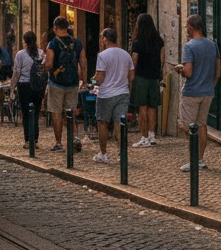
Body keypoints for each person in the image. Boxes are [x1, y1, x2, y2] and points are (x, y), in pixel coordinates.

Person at [174, 14, 221, 171]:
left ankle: (193, 160)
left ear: (190, 27)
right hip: (207, 91)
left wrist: (179, 69)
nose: (186, 29)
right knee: (202, 125)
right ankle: (200, 159)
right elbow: (218, 70)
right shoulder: (212, 45)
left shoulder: (190, 46)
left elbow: (188, 72)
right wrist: (210, 83)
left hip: (192, 91)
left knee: (187, 126)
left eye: (187, 26)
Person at [42, 16, 86, 152]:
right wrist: (84, 79)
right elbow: (83, 62)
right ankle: (74, 139)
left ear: (55, 28)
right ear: (67, 27)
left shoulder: (53, 44)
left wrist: (43, 66)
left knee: (56, 113)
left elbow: (49, 64)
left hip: (56, 83)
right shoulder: (77, 43)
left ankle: (59, 143)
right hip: (73, 83)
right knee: (71, 112)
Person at [92, 28, 134, 163]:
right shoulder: (126, 54)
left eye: (101, 38)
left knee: (102, 122)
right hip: (122, 93)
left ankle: (103, 153)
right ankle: (122, 154)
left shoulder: (102, 55)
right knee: (119, 123)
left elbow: (100, 78)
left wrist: (93, 81)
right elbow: (131, 76)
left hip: (106, 94)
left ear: (105, 39)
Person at [130, 13, 165, 147]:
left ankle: (144, 137)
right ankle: (152, 135)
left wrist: (131, 77)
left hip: (141, 78)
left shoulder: (138, 43)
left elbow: (134, 61)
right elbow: (162, 60)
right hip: (154, 78)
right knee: (152, 107)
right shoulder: (159, 41)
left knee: (142, 107)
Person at [9, 31, 44, 147]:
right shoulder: (41, 53)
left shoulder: (21, 54)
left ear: (25, 41)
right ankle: (35, 140)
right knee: (36, 113)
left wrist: (12, 88)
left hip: (24, 86)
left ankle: (28, 140)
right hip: (38, 87)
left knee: (26, 113)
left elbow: (16, 72)